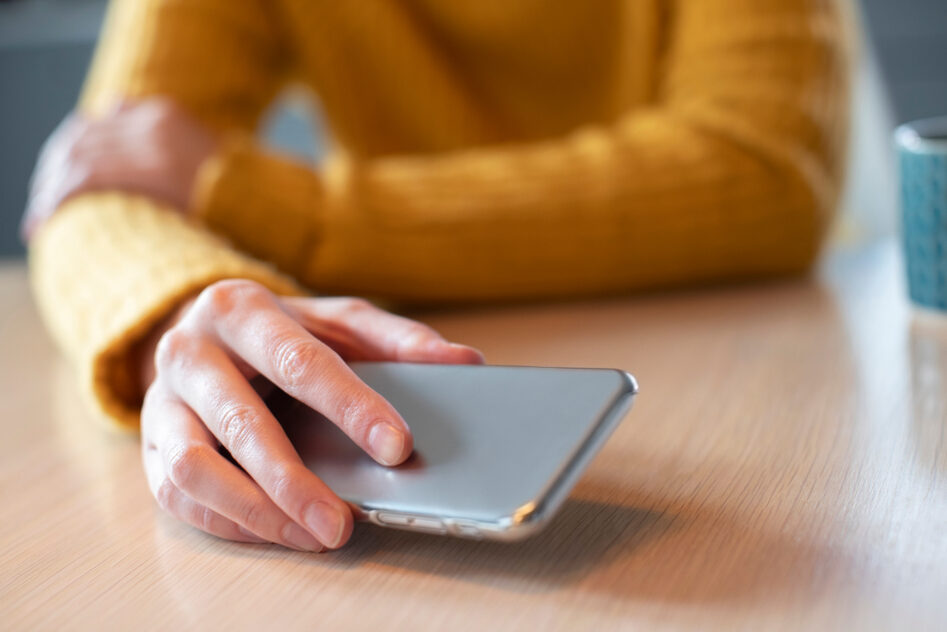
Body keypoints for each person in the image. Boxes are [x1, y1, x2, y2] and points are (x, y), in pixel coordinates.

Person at [23, 0, 852, 551]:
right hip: (404, 375)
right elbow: (101, 175)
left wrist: (278, 206)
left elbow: (762, 171)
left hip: (766, 386)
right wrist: (186, 312)